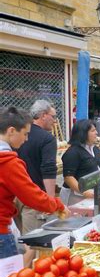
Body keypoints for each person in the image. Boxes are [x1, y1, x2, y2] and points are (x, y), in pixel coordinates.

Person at [0, 107, 69, 259]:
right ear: (11, 131)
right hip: (1, 231)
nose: (26, 139)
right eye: (25, 134)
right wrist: (58, 205)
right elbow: (32, 195)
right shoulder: (8, 162)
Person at [16, 100, 58, 234]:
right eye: (53, 116)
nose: (55, 121)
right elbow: (48, 168)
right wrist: (50, 200)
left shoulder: (17, 135)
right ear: (43, 115)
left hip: (14, 194)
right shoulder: (47, 138)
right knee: (33, 243)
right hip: (34, 195)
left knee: (21, 240)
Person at [60, 120, 100, 206]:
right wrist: (83, 191)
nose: (96, 133)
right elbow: (68, 177)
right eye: (93, 131)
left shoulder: (95, 149)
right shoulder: (73, 152)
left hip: (95, 194)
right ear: (83, 133)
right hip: (77, 197)